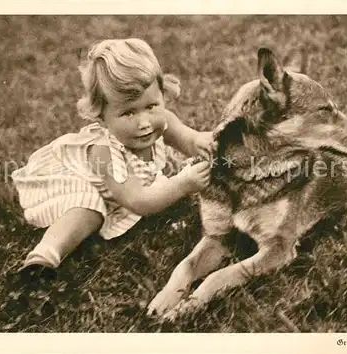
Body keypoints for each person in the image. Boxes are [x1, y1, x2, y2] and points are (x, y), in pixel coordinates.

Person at [11, 38, 216, 274]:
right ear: (102, 116)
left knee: (150, 191)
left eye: (151, 106)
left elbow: (191, 140)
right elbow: (139, 201)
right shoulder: (104, 152)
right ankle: (43, 258)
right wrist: (183, 184)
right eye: (128, 113)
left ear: (162, 94)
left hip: (121, 190)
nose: (144, 123)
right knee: (88, 210)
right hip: (72, 182)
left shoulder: (164, 120)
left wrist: (206, 141)